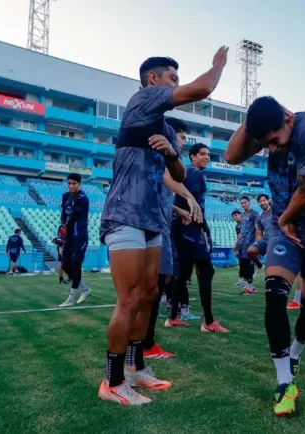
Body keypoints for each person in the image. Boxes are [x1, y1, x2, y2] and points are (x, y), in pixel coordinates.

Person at [98, 48, 229, 406]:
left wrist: (172, 153)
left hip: (153, 219)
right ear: (153, 80)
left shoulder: (167, 128)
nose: (176, 82)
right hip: (125, 213)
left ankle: (135, 368)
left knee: (148, 295)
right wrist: (218, 65)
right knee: (129, 299)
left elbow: (179, 174)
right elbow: (200, 90)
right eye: (172, 77)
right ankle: (111, 382)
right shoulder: (142, 99)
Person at [224, 95, 305, 417]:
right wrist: (253, 122)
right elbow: (232, 156)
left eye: (275, 141)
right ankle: (284, 380)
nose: (272, 149)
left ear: (288, 120)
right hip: (282, 225)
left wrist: (287, 218)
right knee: (274, 293)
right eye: (266, 144)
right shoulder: (270, 130)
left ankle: (296, 354)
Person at [144, 117, 202, 360]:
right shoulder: (162, 158)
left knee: (160, 282)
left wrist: (178, 210)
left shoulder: (166, 160)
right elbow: (166, 178)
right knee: (154, 285)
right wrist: (189, 197)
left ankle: (146, 343)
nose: (183, 142)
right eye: (181, 137)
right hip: (155, 227)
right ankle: (146, 344)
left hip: (162, 223)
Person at [166, 143, 229, 333]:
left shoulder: (187, 173)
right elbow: (192, 203)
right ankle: (208, 322)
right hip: (190, 228)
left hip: (182, 227)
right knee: (206, 272)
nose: (207, 157)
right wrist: (203, 227)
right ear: (192, 157)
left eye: (208, 154)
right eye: (202, 154)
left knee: (184, 274)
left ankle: (173, 317)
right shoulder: (194, 173)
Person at [58, 173, 91, 307]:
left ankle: (71, 299)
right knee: (65, 265)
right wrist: (62, 226)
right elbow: (64, 214)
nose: (71, 186)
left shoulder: (83, 198)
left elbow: (75, 215)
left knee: (76, 263)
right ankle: (85, 289)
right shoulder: (65, 196)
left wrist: (66, 226)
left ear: (79, 184)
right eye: (69, 183)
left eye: (74, 183)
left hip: (80, 234)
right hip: (69, 235)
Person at [236, 196, 259, 294]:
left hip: (250, 242)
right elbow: (241, 230)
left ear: (249, 202)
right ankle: (248, 286)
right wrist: (238, 242)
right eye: (241, 203)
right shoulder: (242, 215)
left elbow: (258, 228)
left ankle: (250, 287)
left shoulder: (254, 214)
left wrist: (256, 242)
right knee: (243, 265)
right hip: (242, 243)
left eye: (245, 202)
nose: (243, 204)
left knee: (249, 266)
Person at [231, 210, 245, 288]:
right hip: (241, 246)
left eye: (236, 215)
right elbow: (238, 236)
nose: (235, 217)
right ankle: (240, 281)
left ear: (240, 215)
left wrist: (236, 245)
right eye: (233, 216)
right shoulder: (237, 226)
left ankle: (247, 281)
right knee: (241, 263)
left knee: (245, 263)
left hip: (247, 244)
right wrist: (237, 246)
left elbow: (241, 235)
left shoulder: (244, 223)